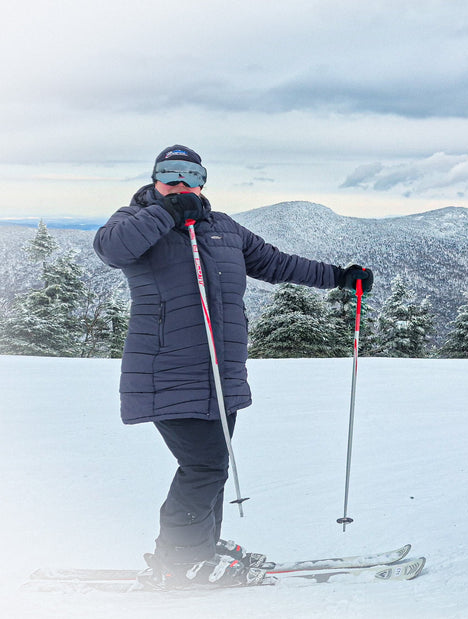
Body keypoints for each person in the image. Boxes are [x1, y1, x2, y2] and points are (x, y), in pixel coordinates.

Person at [93, 145, 374, 588]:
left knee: (213, 464)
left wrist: (340, 276)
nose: (180, 184)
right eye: (169, 175)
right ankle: (180, 560)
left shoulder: (223, 227)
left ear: (204, 181)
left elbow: (277, 263)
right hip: (167, 371)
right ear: (154, 179)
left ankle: (200, 545)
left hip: (220, 376)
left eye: (190, 175)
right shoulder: (132, 222)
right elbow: (111, 250)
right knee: (203, 466)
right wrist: (166, 213)